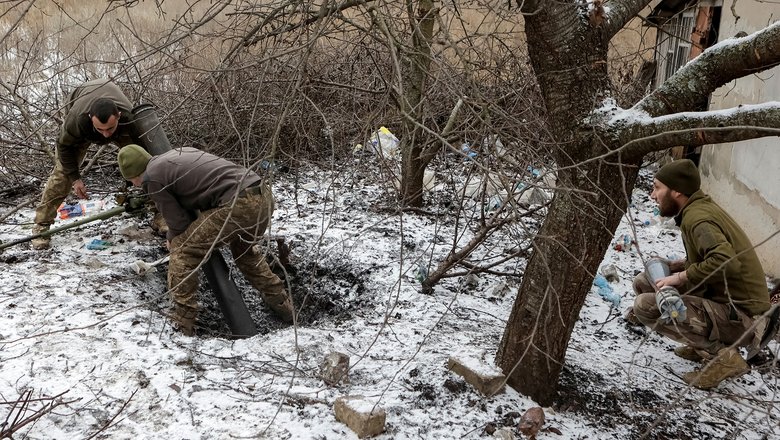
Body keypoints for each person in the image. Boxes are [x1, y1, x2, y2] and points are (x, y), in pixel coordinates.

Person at [117, 144, 293, 335]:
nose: (135, 185)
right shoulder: (177, 153)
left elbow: (178, 222)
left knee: (183, 249)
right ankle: (283, 305)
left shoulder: (152, 178)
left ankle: (183, 321)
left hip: (237, 205)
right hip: (262, 196)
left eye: (132, 182)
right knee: (245, 254)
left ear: (133, 176)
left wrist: (171, 238)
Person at [629, 159, 771, 390]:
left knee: (647, 306)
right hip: (726, 301)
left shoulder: (698, 218)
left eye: (657, 187)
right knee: (645, 282)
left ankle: (723, 357)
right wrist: (676, 266)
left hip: (746, 318)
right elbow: (711, 259)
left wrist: (679, 277)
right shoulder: (696, 208)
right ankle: (701, 346)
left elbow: (726, 261)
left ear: (676, 191)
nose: (652, 195)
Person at [32, 79, 144, 250]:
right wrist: (75, 179)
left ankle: (160, 211)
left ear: (119, 117)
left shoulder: (130, 118)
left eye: (110, 129)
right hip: (80, 100)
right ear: (91, 119)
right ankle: (41, 226)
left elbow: (150, 158)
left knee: (144, 163)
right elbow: (64, 147)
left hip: (121, 122)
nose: (106, 135)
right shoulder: (77, 120)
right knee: (62, 175)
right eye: (101, 130)